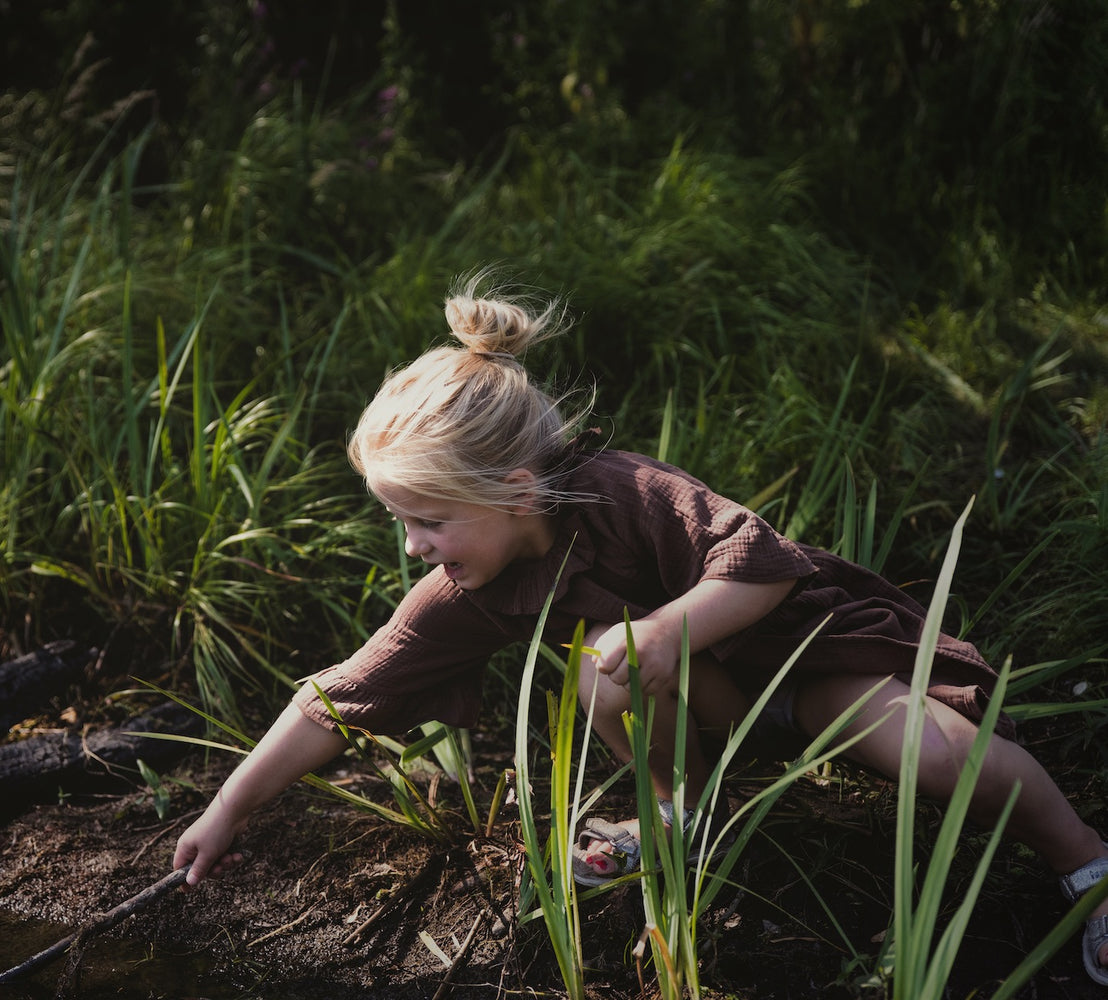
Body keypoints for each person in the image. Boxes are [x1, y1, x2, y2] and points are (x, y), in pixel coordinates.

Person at [171, 276, 1108, 985]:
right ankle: (678, 804)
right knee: (607, 676)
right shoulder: (470, 586)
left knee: (946, 757)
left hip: (812, 661)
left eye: (428, 520)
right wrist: (228, 807)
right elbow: (347, 691)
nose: (414, 547)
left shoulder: (626, 494)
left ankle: (1085, 864)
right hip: (712, 701)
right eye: (400, 521)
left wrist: (667, 625)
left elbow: (764, 562)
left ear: (516, 492)